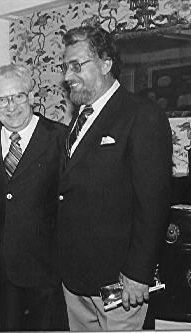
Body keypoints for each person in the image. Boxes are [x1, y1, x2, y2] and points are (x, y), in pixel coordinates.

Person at [56, 25, 172, 331]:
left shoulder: (142, 115)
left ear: (106, 64)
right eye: (65, 67)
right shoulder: (80, 118)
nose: (68, 76)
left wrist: (138, 273)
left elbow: (154, 204)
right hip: (77, 280)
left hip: (121, 283)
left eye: (76, 65)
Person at [0, 64, 68, 331]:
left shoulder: (59, 137)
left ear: (31, 96)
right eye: (2, 100)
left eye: (18, 96)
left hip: (45, 273)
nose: (11, 106)